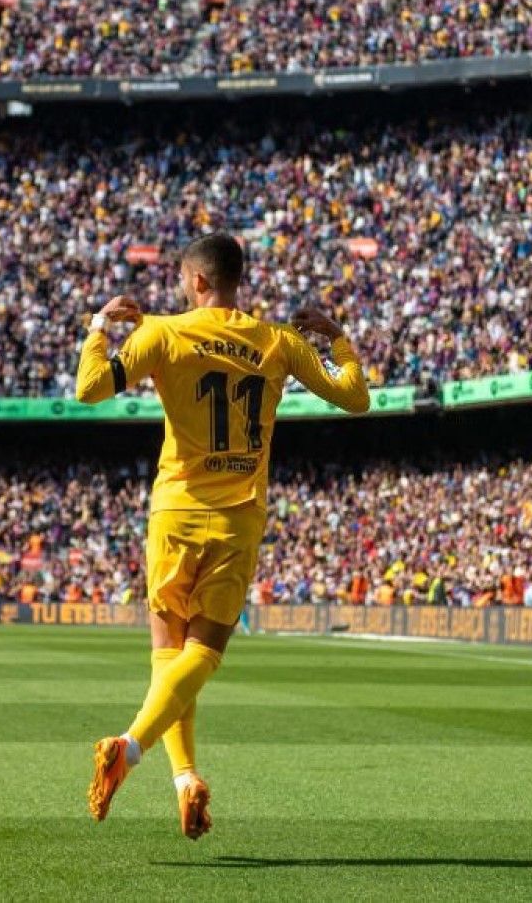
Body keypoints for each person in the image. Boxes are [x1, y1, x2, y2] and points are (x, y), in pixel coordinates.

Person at [74, 232, 370, 837]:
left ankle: (143, 756)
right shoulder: (279, 341)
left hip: (175, 512)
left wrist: (99, 327)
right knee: (202, 655)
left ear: (197, 281)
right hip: (238, 517)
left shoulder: (161, 332)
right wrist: (336, 337)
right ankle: (171, 772)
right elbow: (355, 398)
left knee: (170, 653)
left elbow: (90, 388)